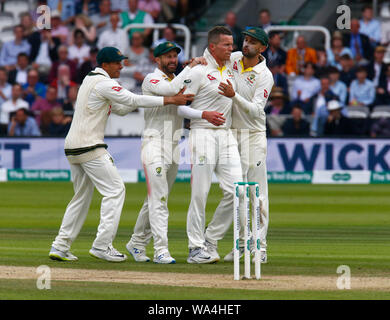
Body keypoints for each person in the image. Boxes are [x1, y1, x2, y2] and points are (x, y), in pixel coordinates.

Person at [48, 46, 194, 262]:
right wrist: (169, 100)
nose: (121, 66)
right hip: (90, 146)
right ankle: (102, 245)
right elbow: (132, 101)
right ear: (105, 65)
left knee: (81, 196)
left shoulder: (90, 80)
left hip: (72, 147)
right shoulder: (104, 82)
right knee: (115, 190)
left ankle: (60, 246)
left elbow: (123, 108)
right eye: (117, 63)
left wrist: (148, 98)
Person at [127, 42, 225, 264]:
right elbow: (171, 92)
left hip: (173, 146)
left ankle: (136, 242)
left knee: (156, 198)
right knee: (159, 199)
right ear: (157, 59)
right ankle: (161, 249)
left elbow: (183, 102)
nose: (172, 60)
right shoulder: (151, 79)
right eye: (168, 57)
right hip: (154, 144)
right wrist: (191, 68)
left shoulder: (177, 80)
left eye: (175, 56)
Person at [182, 26, 242, 264]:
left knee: (237, 191)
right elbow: (179, 106)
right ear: (213, 46)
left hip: (225, 136)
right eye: (227, 45)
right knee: (200, 193)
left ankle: (210, 239)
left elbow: (252, 53)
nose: (232, 49)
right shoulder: (198, 71)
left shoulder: (228, 66)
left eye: (232, 44)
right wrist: (202, 115)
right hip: (202, 133)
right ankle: (194, 248)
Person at [218, 27, 274, 264]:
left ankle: (259, 246)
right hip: (231, 133)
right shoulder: (232, 59)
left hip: (253, 134)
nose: (246, 44)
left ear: (262, 48)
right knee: (237, 191)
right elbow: (212, 56)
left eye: (252, 42)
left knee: (257, 192)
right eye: (246, 40)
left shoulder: (265, 75)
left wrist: (233, 96)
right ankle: (241, 245)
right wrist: (199, 59)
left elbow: (256, 110)